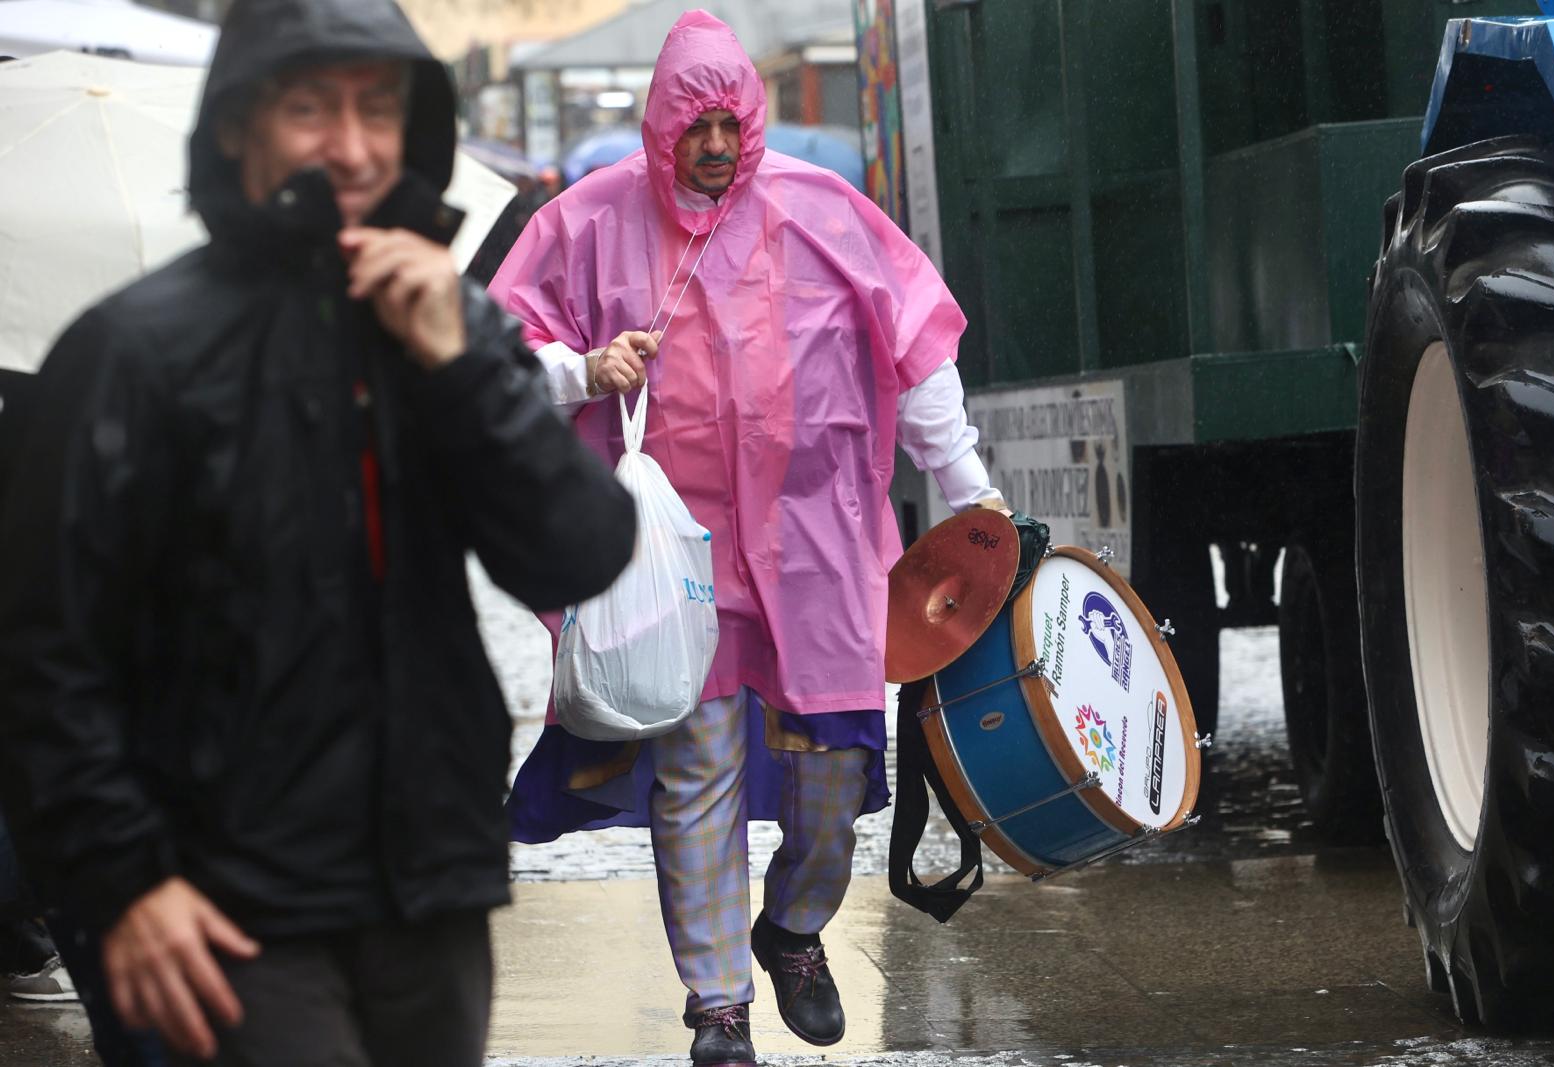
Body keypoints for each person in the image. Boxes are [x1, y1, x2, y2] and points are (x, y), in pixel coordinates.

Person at [0, 0, 636, 1064]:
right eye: (310, 108)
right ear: (242, 124)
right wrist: (124, 885)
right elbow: (44, 656)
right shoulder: (131, 352)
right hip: (223, 899)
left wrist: (461, 367)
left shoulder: (449, 327)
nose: (350, 143)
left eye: (377, 108)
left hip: (426, 884)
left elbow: (577, 549)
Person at [488, 12, 1003, 1066]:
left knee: (835, 775)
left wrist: (970, 495)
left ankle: (794, 928)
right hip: (671, 568)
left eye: (732, 123)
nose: (717, 145)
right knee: (696, 776)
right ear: (660, 127)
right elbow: (491, 363)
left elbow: (917, 350)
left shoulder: (824, 215)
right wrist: (582, 371)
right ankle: (717, 1003)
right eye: (697, 126)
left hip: (817, 549)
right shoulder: (586, 226)